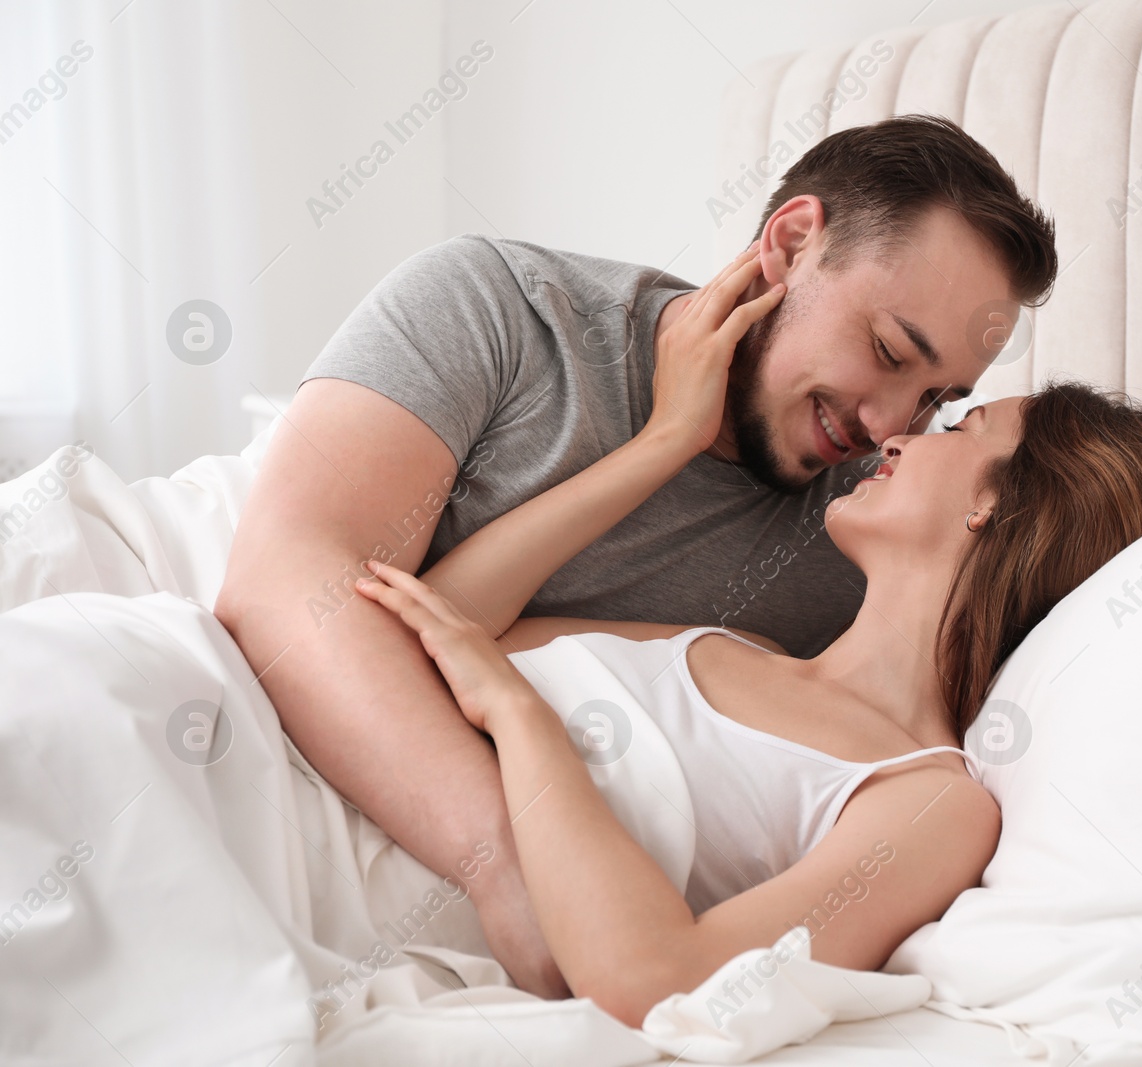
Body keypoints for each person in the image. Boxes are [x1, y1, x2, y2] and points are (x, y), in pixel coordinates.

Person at [214, 114, 1058, 996]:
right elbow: (288, 587)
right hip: (279, 732)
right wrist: (504, 861)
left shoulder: (863, 538)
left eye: (937, 401)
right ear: (793, 242)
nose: (888, 425)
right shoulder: (501, 305)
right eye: (887, 350)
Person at [350, 302, 1142, 1027]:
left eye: (961, 426)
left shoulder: (931, 799)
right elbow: (425, 627)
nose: (897, 434)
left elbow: (665, 980)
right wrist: (665, 442)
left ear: (999, 504)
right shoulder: (744, 646)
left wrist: (522, 718)